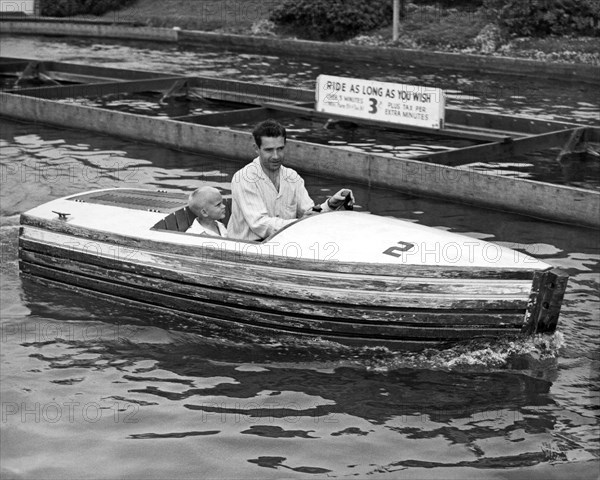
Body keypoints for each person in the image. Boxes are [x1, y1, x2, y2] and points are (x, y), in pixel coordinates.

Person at [228, 119, 354, 241]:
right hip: (247, 247)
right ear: (256, 148)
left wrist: (330, 204)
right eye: (269, 150)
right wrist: (301, 223)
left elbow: (308, 213)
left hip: (284, 242)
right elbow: (260, 224)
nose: (276, 156)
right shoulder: (243, 178)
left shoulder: (293, 177)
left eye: (280, 149)